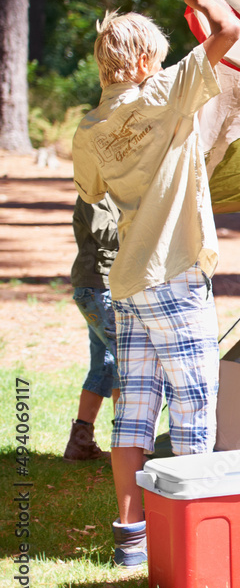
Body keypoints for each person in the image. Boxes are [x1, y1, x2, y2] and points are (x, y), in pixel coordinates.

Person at [72, 0, 240, 568]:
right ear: (143, 61)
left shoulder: (88, 130)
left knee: (135, 410)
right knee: (195, 409)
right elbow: (228, 32)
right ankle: (192, 542)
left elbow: (93, 190)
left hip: (128, 283)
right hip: (176, 274)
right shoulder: (166, 89)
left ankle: (131, 537)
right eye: (159, 57)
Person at [65, 194, 120, 461]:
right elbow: (109, 235)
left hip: (107, 288)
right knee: (126, 360)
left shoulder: (119, 186)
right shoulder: (93, 192)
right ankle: (129, 445)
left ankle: (80, 444)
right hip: (99, 288)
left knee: (105, 365)